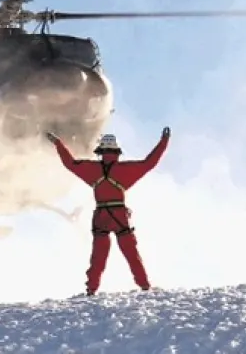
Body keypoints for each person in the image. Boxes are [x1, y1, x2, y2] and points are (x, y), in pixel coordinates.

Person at [46, 127, 171, 296]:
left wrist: (58, 143)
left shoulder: (91, 170)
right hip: (120, 216)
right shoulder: (125, 170)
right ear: (117, 152)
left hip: (101, 217)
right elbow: (150, 163)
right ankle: (144, 286)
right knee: (131, 254)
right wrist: (164, 141)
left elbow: (70, 163)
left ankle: (91, 289)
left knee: (98, 257)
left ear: (101, 151)